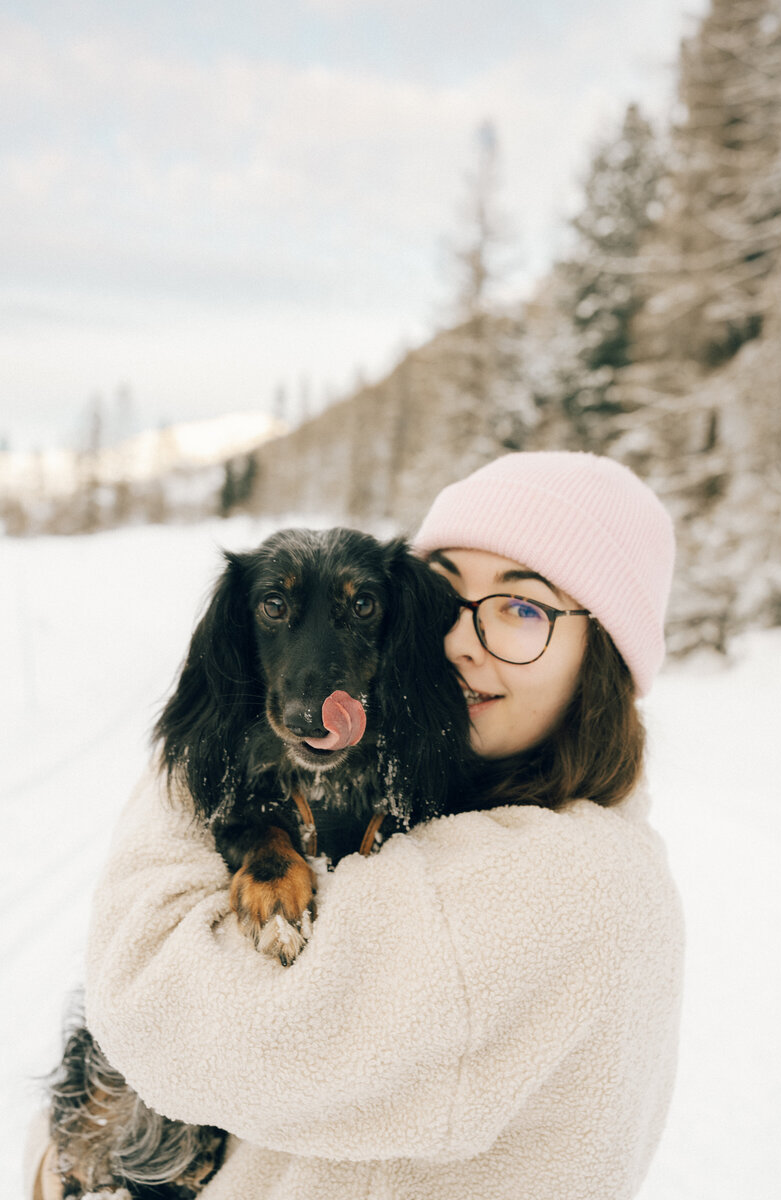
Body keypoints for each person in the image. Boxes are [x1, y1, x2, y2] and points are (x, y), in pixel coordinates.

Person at [27, 450, 684, 1200]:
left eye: (522, 608)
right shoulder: (444, 794)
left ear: (603, 657)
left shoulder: (571, 885)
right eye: (441, 599)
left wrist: (199, 767)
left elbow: (162, 1024)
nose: (459, 642)